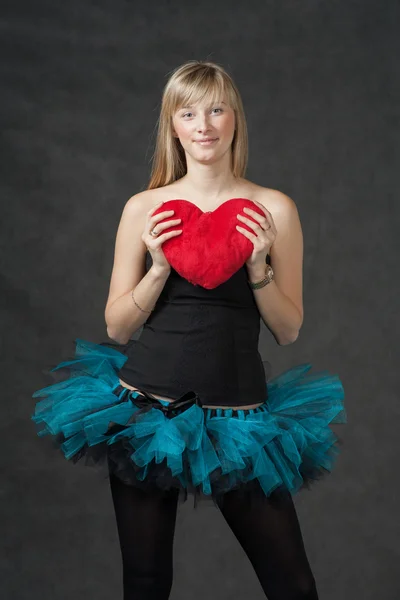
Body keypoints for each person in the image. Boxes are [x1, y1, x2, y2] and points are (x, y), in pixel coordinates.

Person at [32, 60, 346, 600]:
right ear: (173, 125)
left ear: (234, 120)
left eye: (216, 109)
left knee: (292, 585)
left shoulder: (274, 209)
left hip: (240, 419)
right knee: (147, 582)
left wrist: (258, 269)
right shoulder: (144, 209)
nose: (204, 124)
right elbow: (118, 325)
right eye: (189, 112)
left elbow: (289, 329)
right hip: (146, 412)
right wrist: (157, 267)